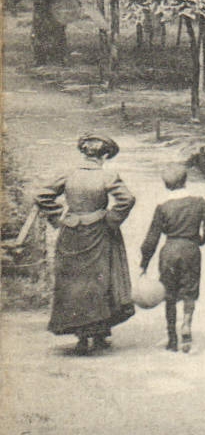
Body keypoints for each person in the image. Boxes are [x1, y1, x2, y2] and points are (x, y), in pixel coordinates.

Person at [36, 133, 136, 354]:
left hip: (71, 233)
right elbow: (127, 199)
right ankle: (98, 332)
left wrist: (58, 218)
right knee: (98, 282)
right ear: (105, 154)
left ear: (83, 151)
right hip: (98, 232)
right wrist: (110, 219)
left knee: (74, 282)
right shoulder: (108, 176)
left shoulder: (68, 174)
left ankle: (82, 336)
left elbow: (43, 195)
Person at [138, 164, 205, 353]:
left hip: (169, 251)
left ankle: (172, 338)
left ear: (166, 185)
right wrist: (201, 239)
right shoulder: (198, 202)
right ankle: (187, 324)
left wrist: (144, 264)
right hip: (191, 250)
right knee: (190, 291)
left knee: (169, 294)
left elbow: (151, 239)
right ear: (185, 181)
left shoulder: (163, 207)